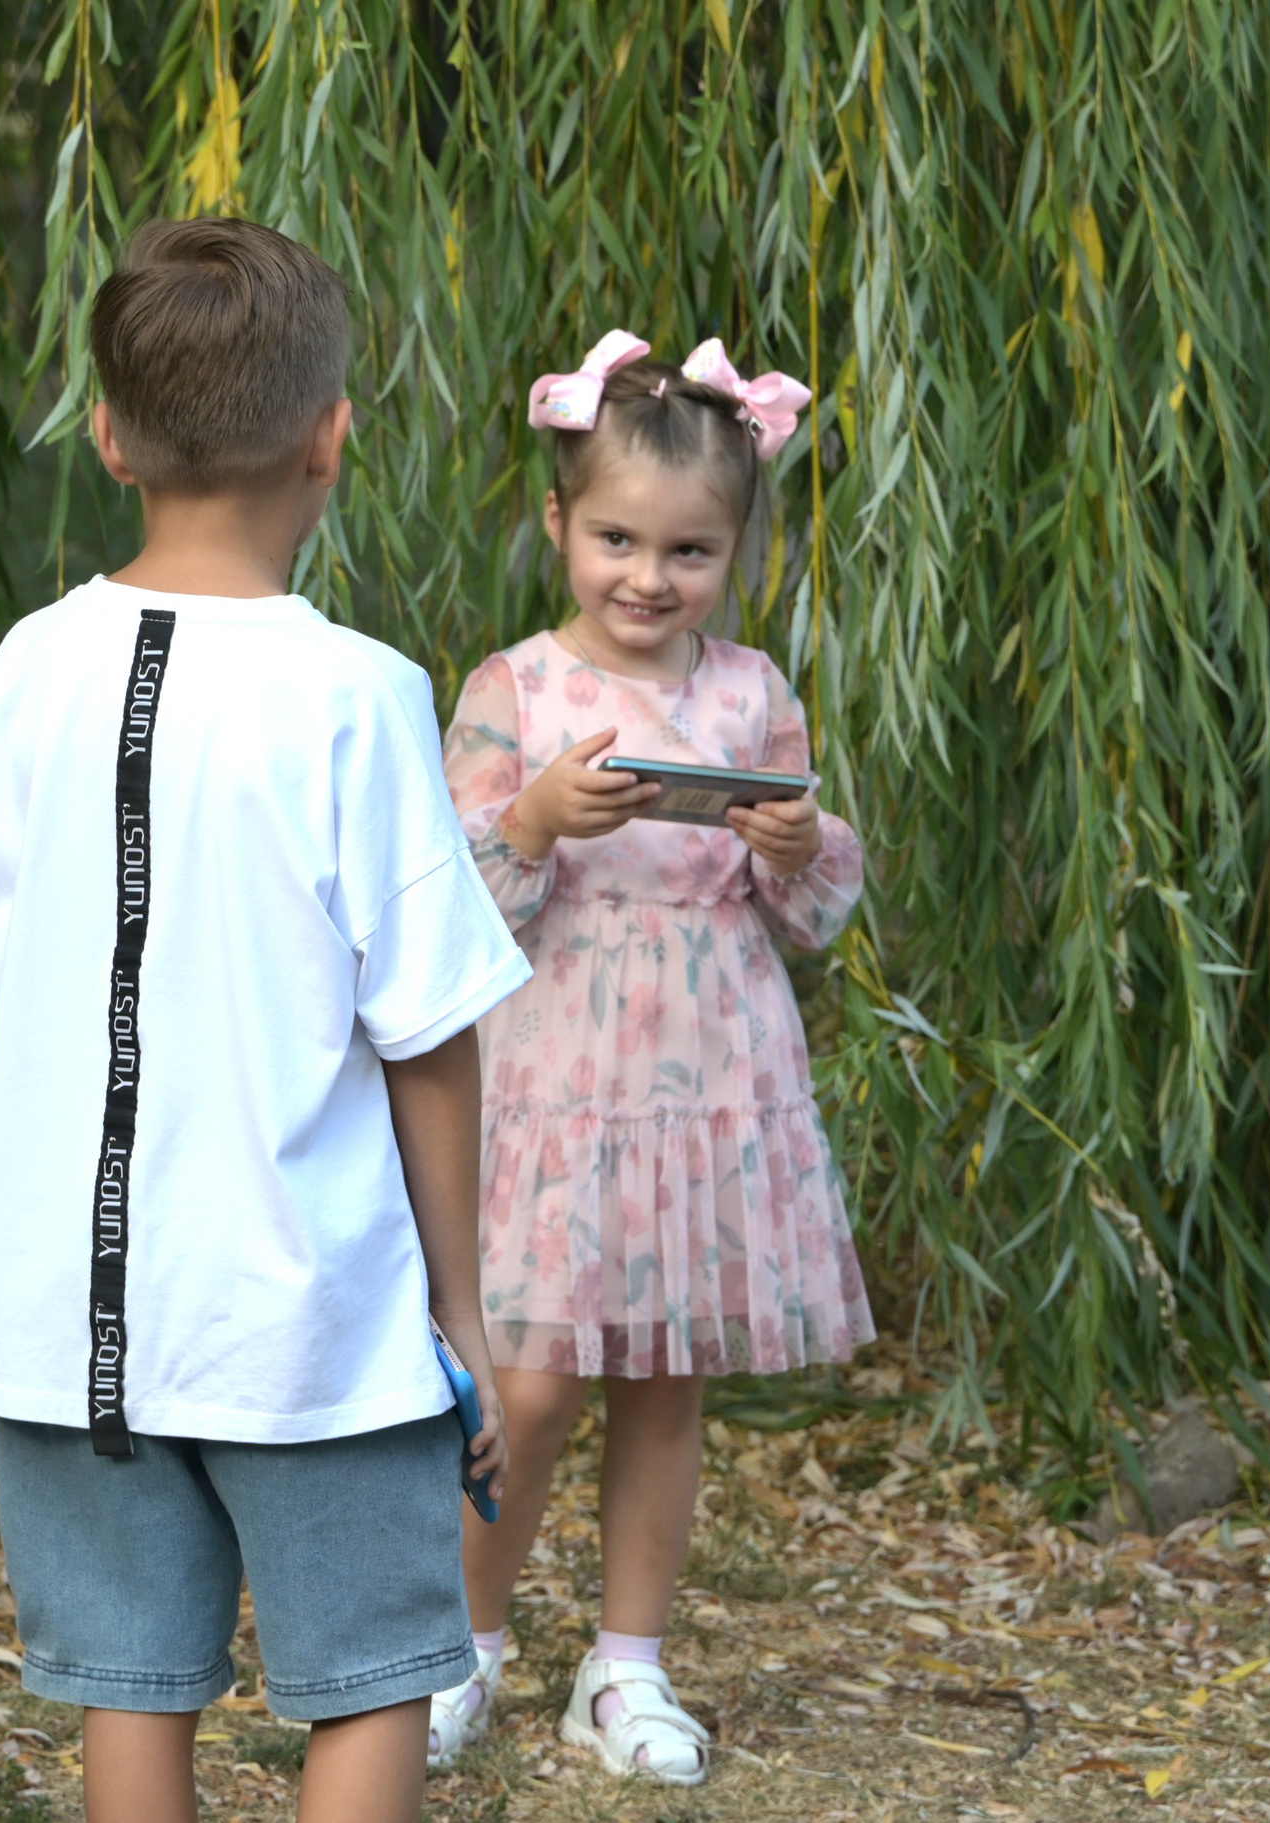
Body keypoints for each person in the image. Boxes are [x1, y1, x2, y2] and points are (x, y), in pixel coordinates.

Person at [0, 218, 530, 1823]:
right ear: (333, 440)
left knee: (131, 1686)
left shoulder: (32, 664)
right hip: (307, 1321)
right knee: (375, 1676)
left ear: (106, 436)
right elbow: (428, 1031)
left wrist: (31, 1190)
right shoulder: (358, 695)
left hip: (73, 1329)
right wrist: (461, 1312)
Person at [425, 331, 876, 1784]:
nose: (647, 576)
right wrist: (540, 822)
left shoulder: (750, 691)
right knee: (535, 1377)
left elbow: (809, 912)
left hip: (710, 1065)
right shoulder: (514, 686)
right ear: (557, 524)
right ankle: (465, 1644)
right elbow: (442, 891)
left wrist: (796, 844)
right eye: (616, 538)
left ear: (736, 552)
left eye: (690, 550)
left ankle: (627, 1666)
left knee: (666, 1376)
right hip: (555, 1066)